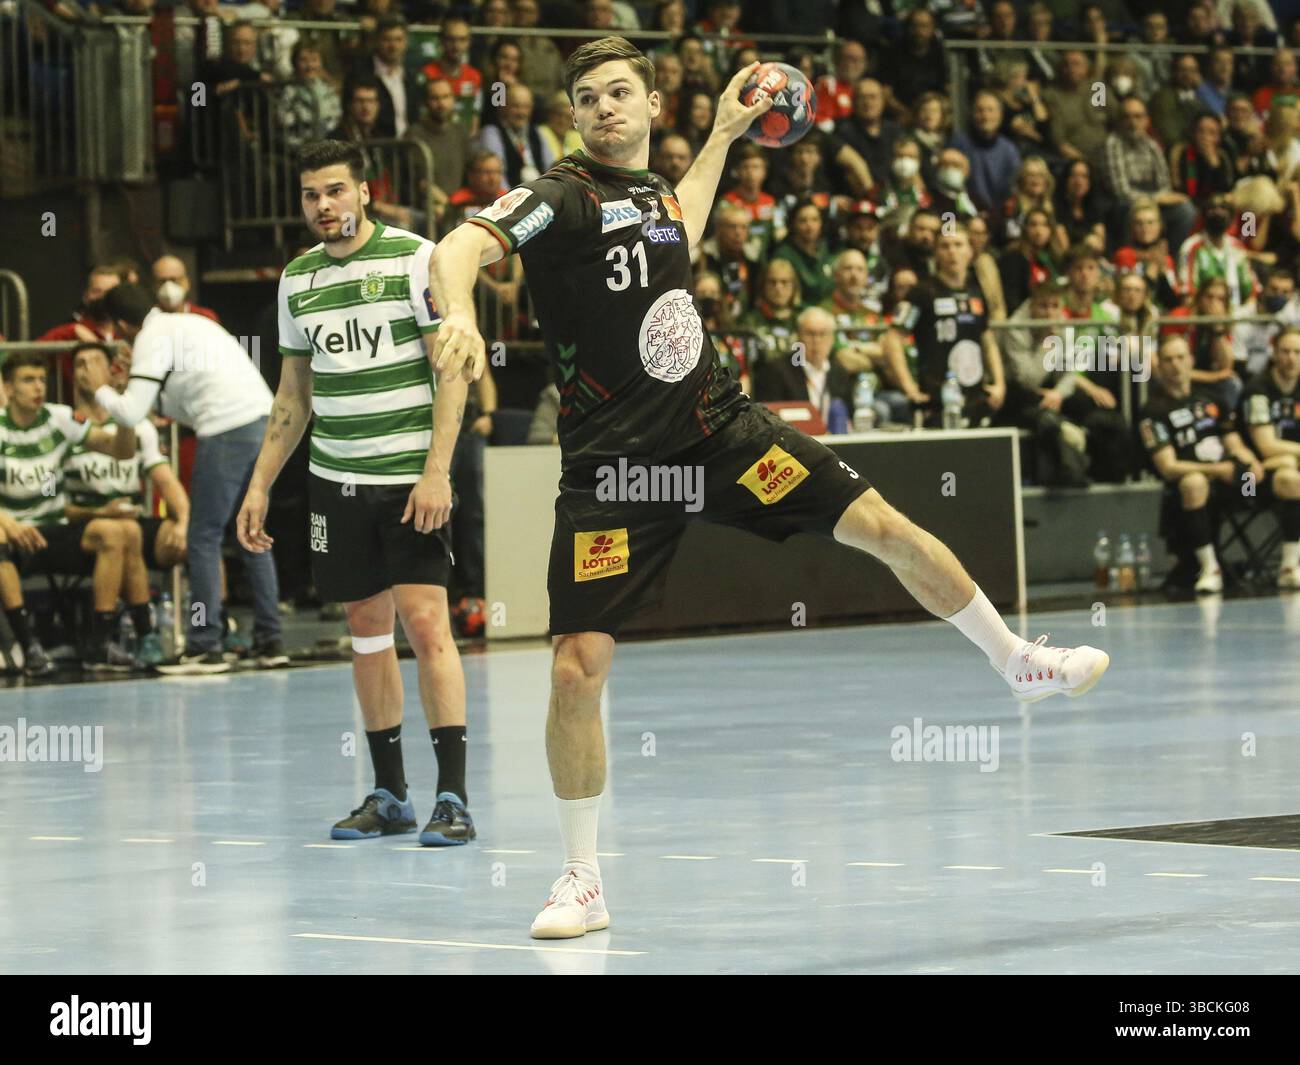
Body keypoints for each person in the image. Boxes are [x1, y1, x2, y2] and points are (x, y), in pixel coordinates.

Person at [426, 36, 1110, 940]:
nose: (603, 107)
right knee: (574, 668)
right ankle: (582, 879)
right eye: (587, 97)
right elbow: (456, 248)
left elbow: (683, 224)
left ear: (653, 105)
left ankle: (1015, 658)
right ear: (574, 117)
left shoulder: (654, 194)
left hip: (720, 430)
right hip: (617, 471)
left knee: (883, 524)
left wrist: (722, 134)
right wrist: (464, 316)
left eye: (620, 91)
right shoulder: (561, 196)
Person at [236, 139, 476, 847]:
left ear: (365, 191)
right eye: (311, 195)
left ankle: (454, 797)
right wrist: (259, 486)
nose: (324, 206)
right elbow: (293, 395)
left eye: (336, 191)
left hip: (408, 481)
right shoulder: (297, 280)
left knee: (428, 627)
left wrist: (438, 471)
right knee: (366, 636)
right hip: (335, 484)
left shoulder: (414, 257)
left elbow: (454, 370)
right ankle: (389, 793)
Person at [92, 283, 286, 673]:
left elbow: (130, 415)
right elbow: (177, 404)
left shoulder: (150, 336)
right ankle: (270, 638)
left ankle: (203, 642)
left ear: (122, 325)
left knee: (202, 536)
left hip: (227, 428)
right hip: (263, 423)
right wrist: (134, 387)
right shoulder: (188, 324)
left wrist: (100, 389)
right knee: (250, 532)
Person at [0, 353, 140, 674]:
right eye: (27, 380)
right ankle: (28, 646)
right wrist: (7, 521)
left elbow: (122, 450)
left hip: (54, 530)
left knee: (115, 532)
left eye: (41, 380)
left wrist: (124, 411)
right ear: (8, 387)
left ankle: (99, 644)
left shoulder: (60, 418)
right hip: (14, 536)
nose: (38, 387)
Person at [64, 342, 190, 667]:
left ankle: (208, 627)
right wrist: (98, 512)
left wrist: (184, 522)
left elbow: (165, 478)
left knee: (191, 538)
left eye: (94, 362)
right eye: (79, 364)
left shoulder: (139, 426)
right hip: (81, 522)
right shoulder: (65, 424)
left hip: (130, 522)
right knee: (119, 531)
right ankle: (122, 636)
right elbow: (51, 499)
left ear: (110, 371)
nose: (86, 369)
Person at [1139, 334, 1266, 594]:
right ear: (1159, 366)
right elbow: (1168, 467)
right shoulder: (1153, 410)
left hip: (1229, 482)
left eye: (1181, 358)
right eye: (1168, 360)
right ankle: (1210, 568)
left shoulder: (1211, 398)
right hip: (1188, 487)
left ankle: (1286, 564)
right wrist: (1216, 470)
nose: (1176, 365)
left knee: (1261, 478)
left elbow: (1233, 443)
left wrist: (1249, 461)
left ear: (1192, 361)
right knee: (1194, 483)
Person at [1240, 326, 1300, 588]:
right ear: (1274, 353)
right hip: (1250, 481)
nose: (1291, 358)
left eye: (1298, 352)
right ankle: (1289, 567)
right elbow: (1266, 446)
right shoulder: (1258, 389)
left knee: (1290, 469)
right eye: (1285, 351)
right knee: (1288, 474)